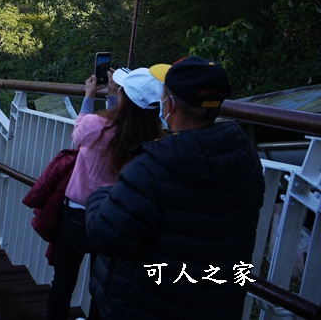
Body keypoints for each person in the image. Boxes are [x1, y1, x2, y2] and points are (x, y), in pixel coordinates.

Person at [85, 57, 265, 320]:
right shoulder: (244, 158)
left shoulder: (151, 168)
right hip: (214, 303)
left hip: (147, 304)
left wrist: (100, 195)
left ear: (168, 104)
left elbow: (107, 233)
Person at [45, 67, 165, 320]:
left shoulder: (95, 125)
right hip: (115, 219)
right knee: (103, 286)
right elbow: (125, 124)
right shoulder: (153, 138)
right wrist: (115, 96)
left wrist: (89, 96)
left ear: (124, 97)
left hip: (76, 214)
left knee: (63, 281)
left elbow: (78, 136)